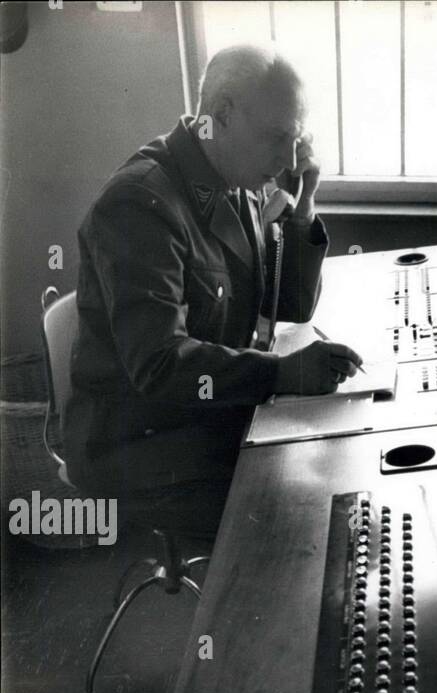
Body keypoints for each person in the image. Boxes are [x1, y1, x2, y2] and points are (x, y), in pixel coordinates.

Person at [63, 45, 361, 538]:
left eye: (297, 139)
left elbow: (290, 306)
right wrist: (281, 373)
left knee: (328, 448)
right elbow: (158, 365)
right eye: (277, 138)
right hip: (137, 440)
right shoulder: (141, 202)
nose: (289, 159)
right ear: (221, 116)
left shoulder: (233, 176)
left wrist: (304, 208)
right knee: (301, 498)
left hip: (199, 412)